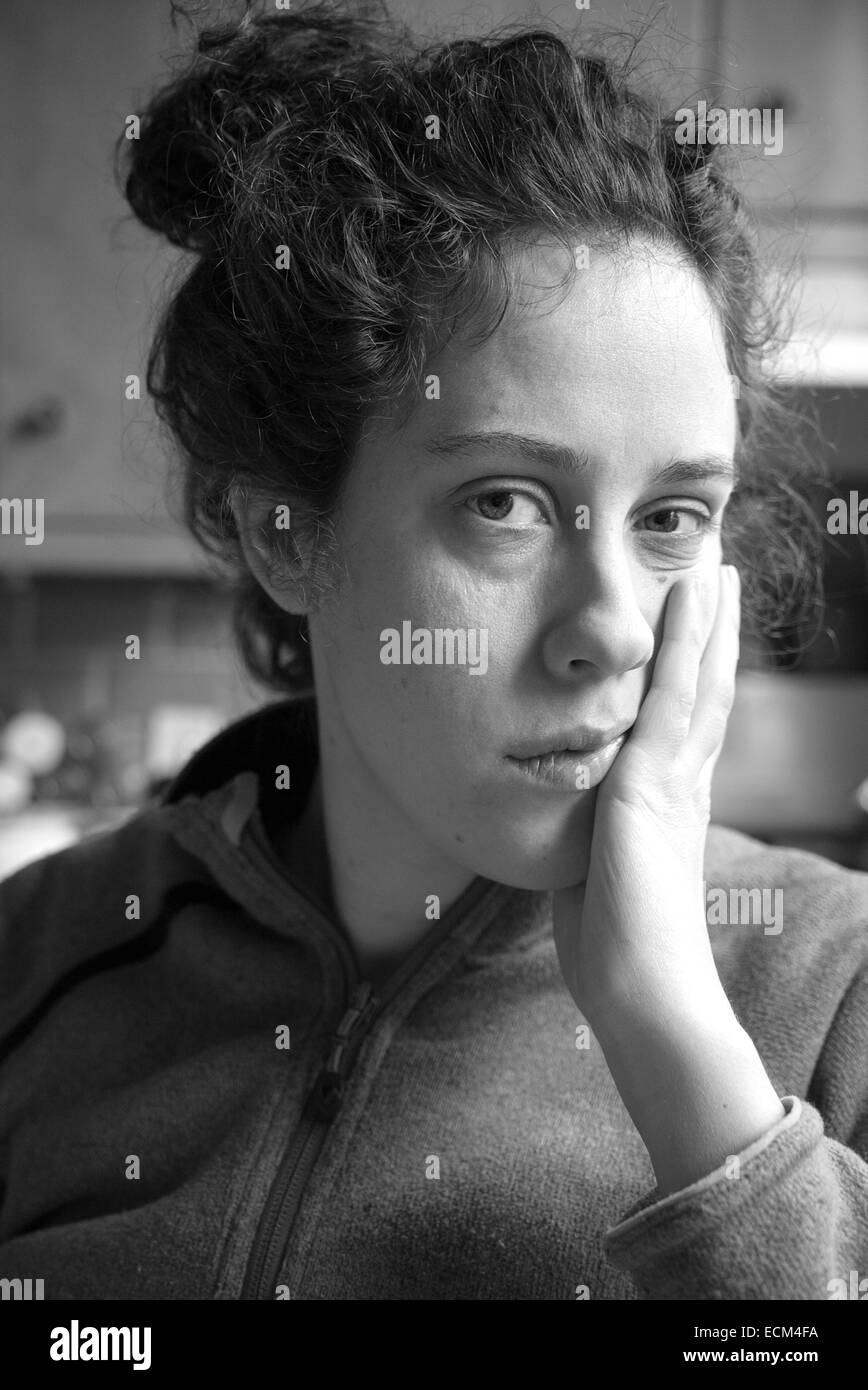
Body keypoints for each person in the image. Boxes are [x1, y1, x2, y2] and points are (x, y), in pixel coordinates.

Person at [1, 0, 866, 1302]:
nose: (616, 628)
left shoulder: (837, 985)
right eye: (506, 502)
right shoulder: (40, 957)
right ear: (285, 530)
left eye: (673, 516)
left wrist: (689, 1065)